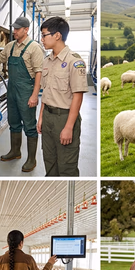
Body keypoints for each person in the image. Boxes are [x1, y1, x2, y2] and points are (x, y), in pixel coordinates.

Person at [0, 17, 44, 172]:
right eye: (14, 28)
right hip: (12, 89)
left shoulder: (34, 48)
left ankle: (32, 159)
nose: (14, 31)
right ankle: (15, 151)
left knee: (30, 125)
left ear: (26, 30)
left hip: (26, 90)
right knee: (13, 122)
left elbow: (39, 73)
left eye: (17, 29)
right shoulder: (10, 46)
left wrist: (34, 95)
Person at [38, 16, 88, 176]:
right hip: (48, 117)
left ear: (57, 35)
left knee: (67, 166)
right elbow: (46, 93)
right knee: (49, 163)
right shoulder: (47, 61)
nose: (42, 39)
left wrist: (68, 127)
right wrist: (41, 117)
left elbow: (77, 96)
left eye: (44, 35)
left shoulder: (75, 62)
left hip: (64, 118)